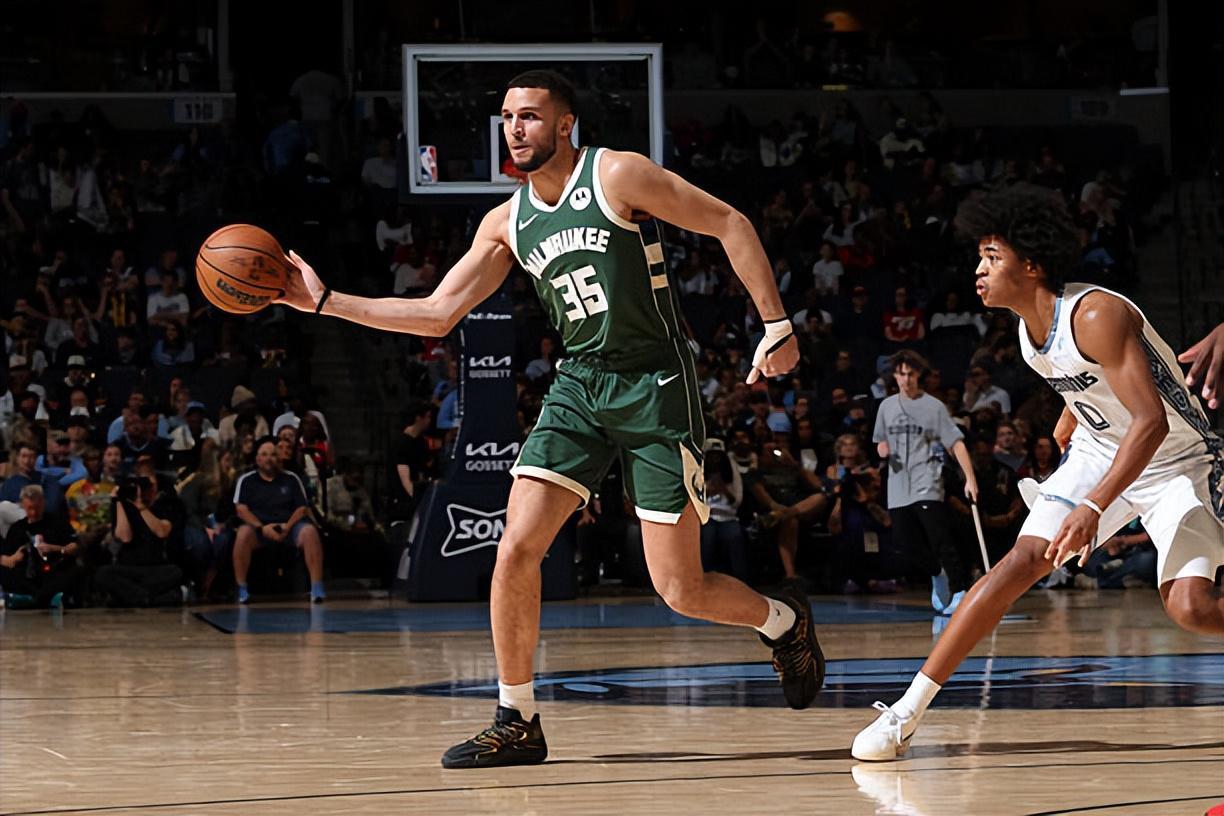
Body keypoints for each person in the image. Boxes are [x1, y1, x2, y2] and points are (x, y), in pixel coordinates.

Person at [277, 69, 823, 768]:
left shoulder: (618, 174)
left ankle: (782, 620)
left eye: (530, 116)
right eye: (508, 117)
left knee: (680, 590)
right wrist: (324, 302)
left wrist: (776, 325)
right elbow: (437, 314)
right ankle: (517, 719)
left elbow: (728, 222)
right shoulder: (505, 222)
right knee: (514, 549)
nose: (515, 128)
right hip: (579, 385)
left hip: (654, 384)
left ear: (565, 125)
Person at [852, 182, 1224, 762]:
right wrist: (1072, 414)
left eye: (991, 257)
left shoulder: (1096, 313)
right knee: (1019, 563)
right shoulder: (1029, 335)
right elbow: (1091, 383)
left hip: (1175, 460)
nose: (978, 269)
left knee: (1191, 609)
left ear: (1030, 264)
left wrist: (1094, 505)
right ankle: (906, 712)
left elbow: (1150, 421)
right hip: (1103, 450)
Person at [873, 350, 979, 613]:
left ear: (918, 374)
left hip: (927, 479)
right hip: (898, 484)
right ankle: (936, 572)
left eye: (911, 374)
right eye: (901, 374)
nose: (906, 379)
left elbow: (955, 443)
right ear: (895, 375)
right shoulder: (886, 407)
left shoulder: (934, 407)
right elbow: (879, 442)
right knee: (903, 541)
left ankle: (960, 589)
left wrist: (970, 479)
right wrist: (883, 449)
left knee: (940, 537)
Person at [231, 437, 325, 604]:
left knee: (309, 532)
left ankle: (316, 587)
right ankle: (241, 588)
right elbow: (241, 510)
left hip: (289, 527)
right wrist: (262, 528)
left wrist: (287, 528)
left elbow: (301, 508)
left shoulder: (291, 478)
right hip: (260, 529)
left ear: (279, 458)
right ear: (258, 459)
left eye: (273, 455)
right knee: (243, 534)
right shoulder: (246, 480)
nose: (269, 458)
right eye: (264, 455)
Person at [94, 474, 183, 607]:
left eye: (148, 485)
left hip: (155, 568)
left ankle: (130, 596)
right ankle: (148, 599)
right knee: (103, 573)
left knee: (176, 572)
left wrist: (140, 506)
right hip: (128, 568)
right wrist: (119, 501)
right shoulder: (122, 506)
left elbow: (161, 532)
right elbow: (124, 537)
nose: (143, 489)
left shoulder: (165, 505)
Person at [0, 485, 84, 608]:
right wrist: (12, 558)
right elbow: (3, 557)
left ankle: (33, 599)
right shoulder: (17, 528)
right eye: (30, 508)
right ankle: (44, 598)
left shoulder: (57, 522)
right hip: (26, 575)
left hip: (53, 571)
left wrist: (56, 549)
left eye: (37, 508)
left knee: (76, 571)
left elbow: (75, 546)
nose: (34, 513)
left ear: (43, 503)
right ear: (23, 505)